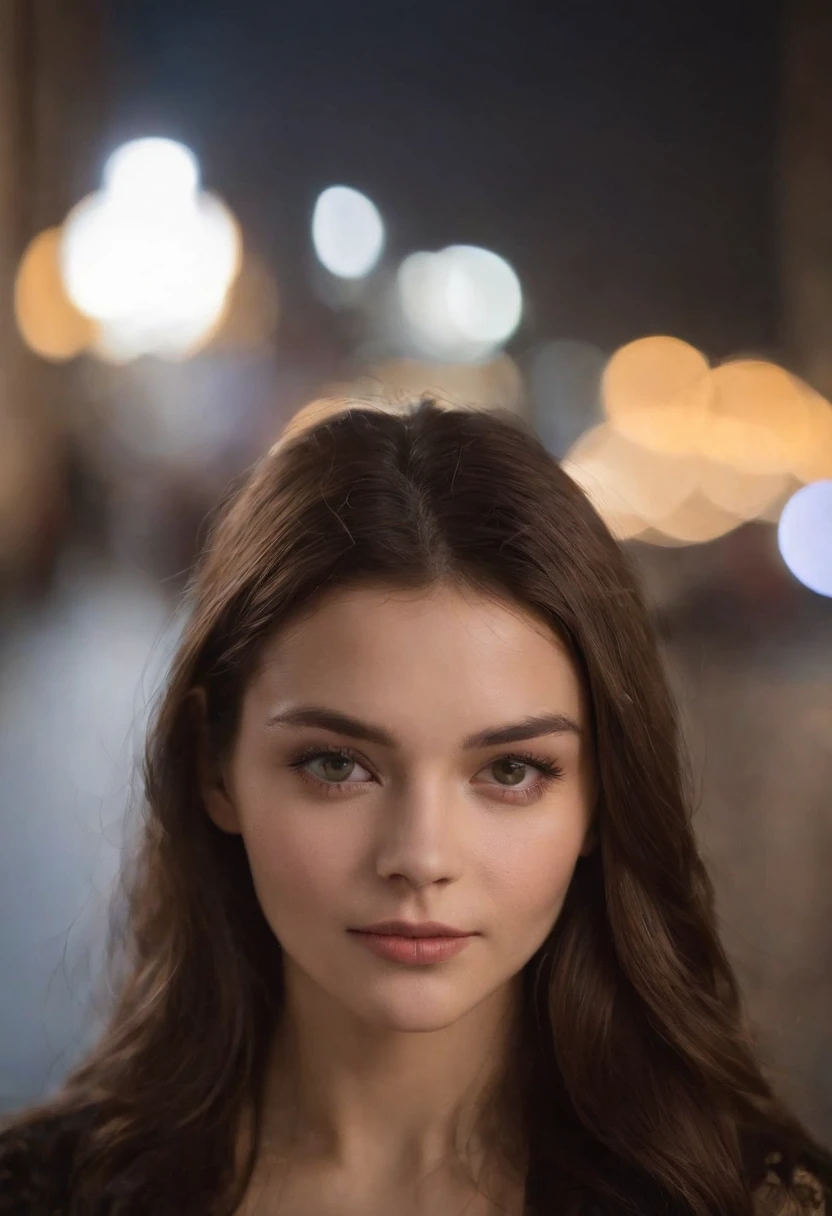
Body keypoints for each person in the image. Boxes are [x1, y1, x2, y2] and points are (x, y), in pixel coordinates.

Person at [0, 397, 829, 1216]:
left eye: (510, 771)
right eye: (337, 765)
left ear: (603, 794)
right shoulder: (46, 1192)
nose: (422, 856)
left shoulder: (745, 1199)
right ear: (213, 769)